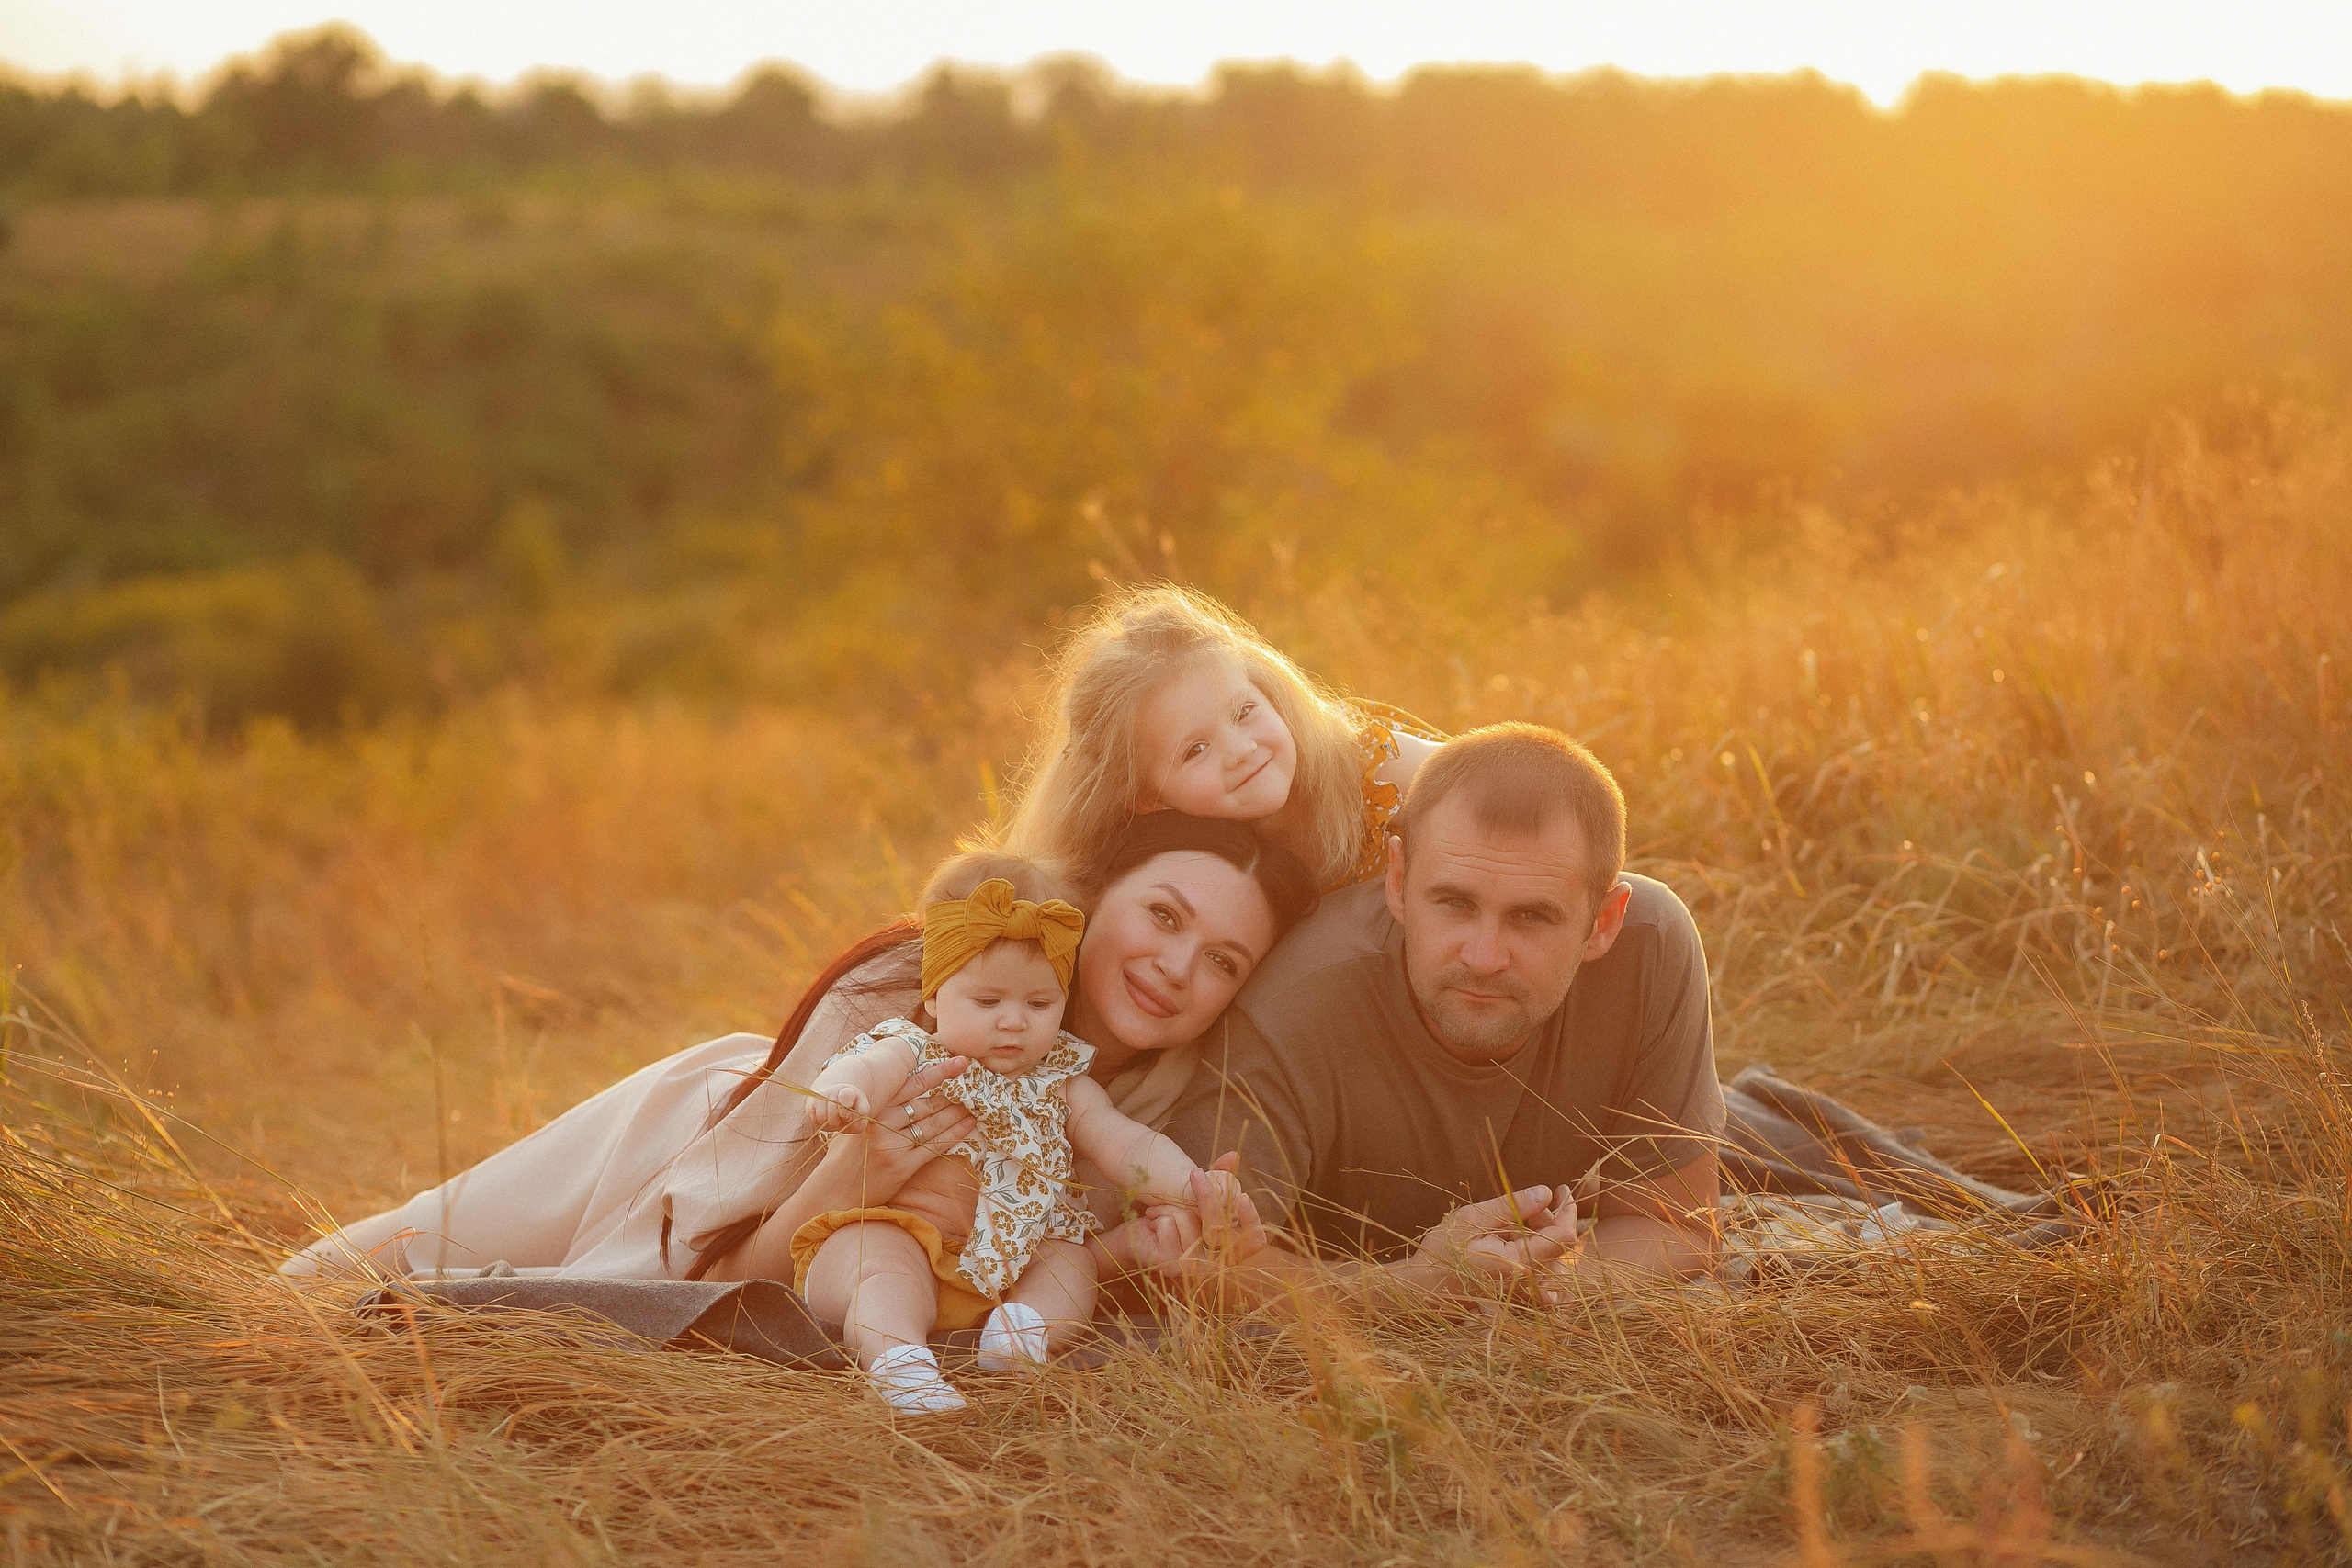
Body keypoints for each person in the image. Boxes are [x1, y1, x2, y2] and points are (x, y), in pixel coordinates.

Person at [280, 814, 1318, 1290]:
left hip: (781, 1255)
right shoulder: (901, 999)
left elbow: (981, 1279)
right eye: (1163, 916)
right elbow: (716, 1273)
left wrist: (1131, 1251)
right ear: (1092, 905)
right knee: (331, 1287)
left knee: (413, 1310)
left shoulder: (1134, 1116)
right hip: (690, 1154)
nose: (1179, 967)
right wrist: (852, 1170)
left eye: (1223, 961)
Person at [1159, 722, 1725, 1308]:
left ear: (1602, 923)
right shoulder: (1296, 1006)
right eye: (1454, 903)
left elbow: (1676, 1224)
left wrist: (1532, 1287)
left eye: (1532, 917)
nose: (1484, 958)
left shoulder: (1649, 945)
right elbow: (1196, 1268)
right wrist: (1423, 1287)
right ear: (1399, 881)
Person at [797, 870, 1250, 1412]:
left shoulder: (1062, 1080)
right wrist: (842, 1095)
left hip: (1012, 1268)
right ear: (937, 997)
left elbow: (1125, 1144)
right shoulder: (916, 1051)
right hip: (909, 1235)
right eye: (987, 1002)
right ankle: (900, 1364)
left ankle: (1023, 1335)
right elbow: (862, 1067)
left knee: (1071, 1267)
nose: (1013, 1023)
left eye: (1039, 1005)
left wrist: (1190, 1186)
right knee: (880, 1264)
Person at [1003, 584, 1445, 892]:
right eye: (1195, 751)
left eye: (1244, 712)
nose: (1240, 751)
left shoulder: (1377, 769)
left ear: (1269, 691)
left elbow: (1502, 787)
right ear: (1147, 798)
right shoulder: (1141, 866)